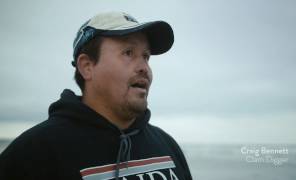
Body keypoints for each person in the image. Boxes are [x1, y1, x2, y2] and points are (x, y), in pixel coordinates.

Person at [0, 12, 192, 180]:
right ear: (87, 67)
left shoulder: (166, 145)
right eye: (128, 53)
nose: (144, 68)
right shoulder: (33, 154)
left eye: (146, 56)